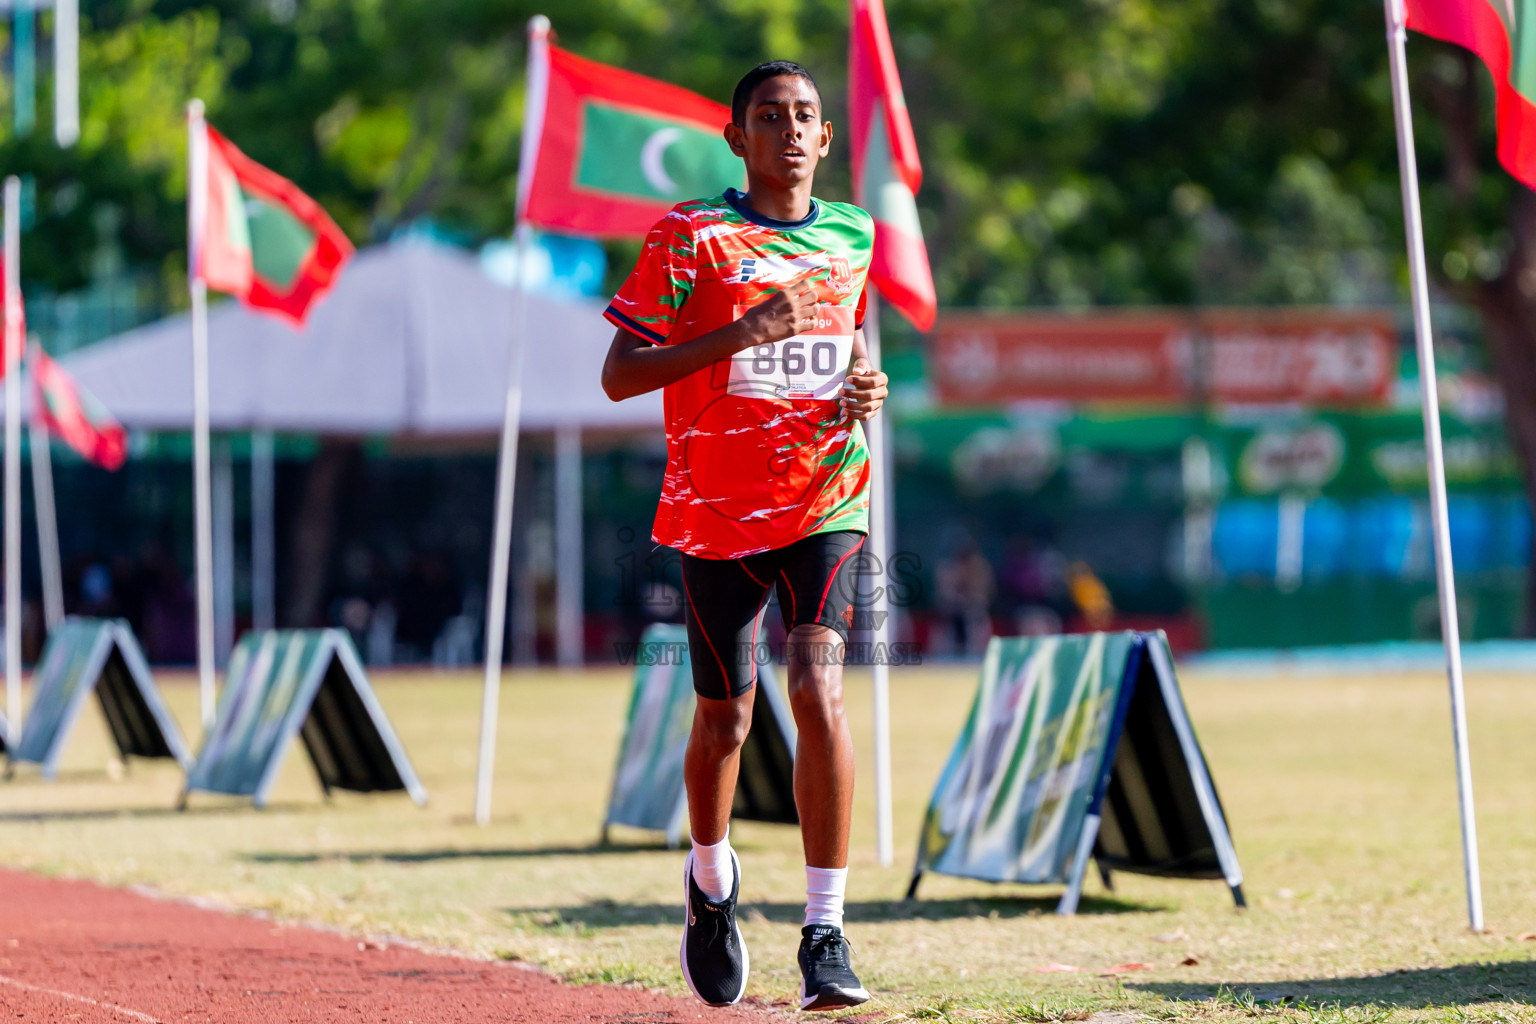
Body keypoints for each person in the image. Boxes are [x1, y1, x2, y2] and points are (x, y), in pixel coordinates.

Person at [601, 60, 888, 1011]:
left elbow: (846, 339)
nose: (792, 131)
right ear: (738, 138)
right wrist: (742, 332)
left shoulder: (855, 234)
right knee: (727, 716)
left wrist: (864, 384)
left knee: (817, 681)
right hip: (714, 513)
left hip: (824, 498)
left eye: (807, 116)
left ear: (827, 136)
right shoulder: (691, 235)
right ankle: (711, 881)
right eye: (771, 117)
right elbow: (620, 374)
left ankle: (826, 931)